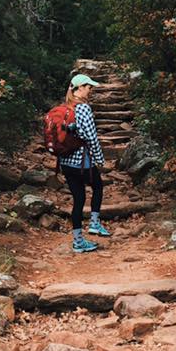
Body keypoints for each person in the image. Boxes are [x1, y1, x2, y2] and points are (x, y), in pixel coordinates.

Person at [59, 73, 110, 253]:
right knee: (98, 186)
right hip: (82, 162)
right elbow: (91, 137)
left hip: (65, 162)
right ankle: (94, 223)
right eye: (88, 87)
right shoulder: (83, 108)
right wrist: (100, 159)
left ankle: (78, 241)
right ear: (80, 88)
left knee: (78, 199)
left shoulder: (65, 108)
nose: (90, 90)